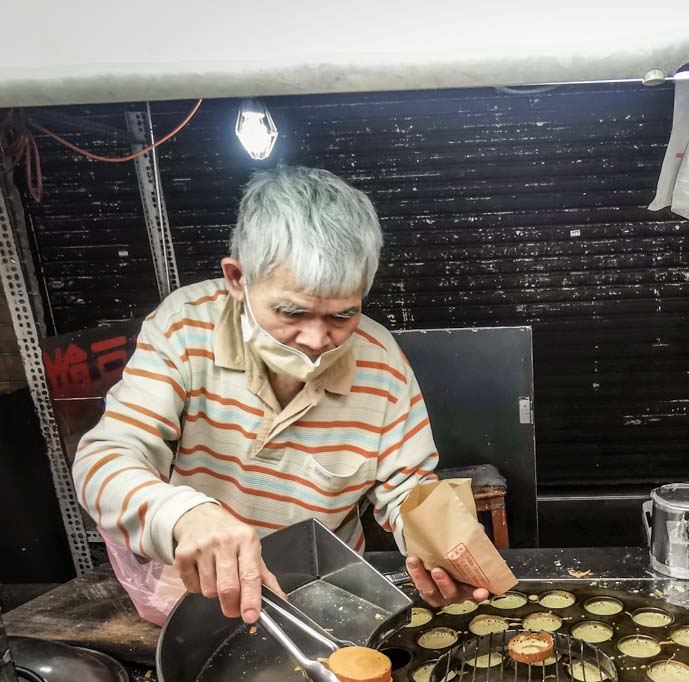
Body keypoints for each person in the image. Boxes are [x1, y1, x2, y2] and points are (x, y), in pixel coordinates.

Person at [72, 166, 485, 622]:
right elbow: (106, 458)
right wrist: (186, 515)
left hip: (324, 595)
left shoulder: (380, 362)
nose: (315, 338)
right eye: (292, 311)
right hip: (201, 594)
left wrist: (444, 548)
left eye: (341, 315)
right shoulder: (185, 327)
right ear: (236, 279)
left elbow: (406, 489)